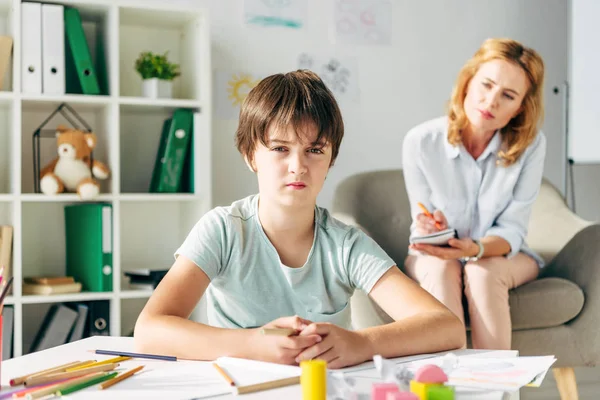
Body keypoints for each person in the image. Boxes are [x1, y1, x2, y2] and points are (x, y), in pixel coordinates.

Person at [134, 70, 464, 369]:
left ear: (331, 159)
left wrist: (362, 342)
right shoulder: (223, 229)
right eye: (280, 149)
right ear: (251, 156)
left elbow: (446, 327)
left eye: (315, 150)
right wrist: (253, 343)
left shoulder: (345, 244)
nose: (298, 166)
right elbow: (149, 330)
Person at [402, 38, 546, 350]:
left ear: (520, 108)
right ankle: (446, 391)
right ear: (468, 82)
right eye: (487, 85)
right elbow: (421, 218)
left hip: (499, 254)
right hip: (436, 255)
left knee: (482, 271)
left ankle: (497, 391)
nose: (492, 100)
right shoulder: (420, 142)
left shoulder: (531, 146)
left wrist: (474, 248)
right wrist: (430, 229)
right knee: (441, 270)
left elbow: (513, 230)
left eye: (508, 95)